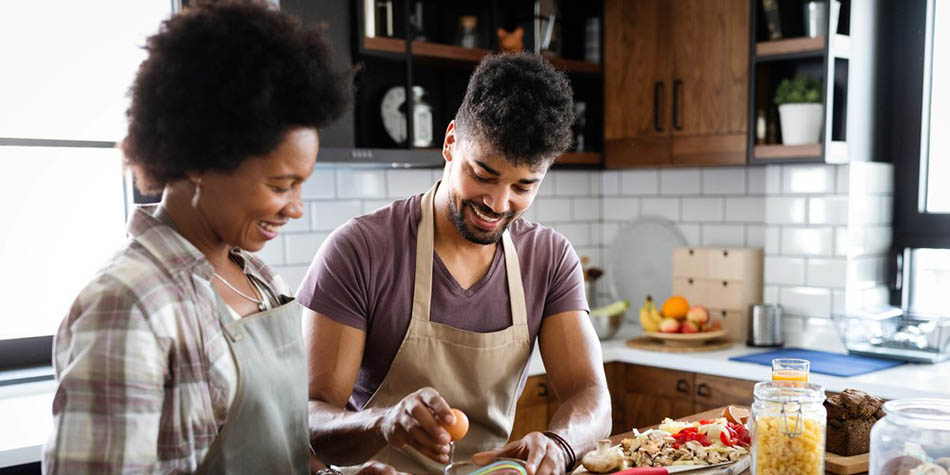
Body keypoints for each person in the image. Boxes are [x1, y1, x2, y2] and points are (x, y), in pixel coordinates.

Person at [40, 1, 373, 473]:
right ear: (200, 160)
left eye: (301, 185)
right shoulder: (130, 305)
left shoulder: (257, 278)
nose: (296, 207)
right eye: (281, 185)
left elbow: (285, 447)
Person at [299, 53, 611, 474]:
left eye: (523, 187)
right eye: (482, 175)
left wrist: (560, 444)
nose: (498, 203)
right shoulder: (360, 250)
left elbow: (591, 395)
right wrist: (383, 423)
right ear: (450, 142)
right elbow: (309, 419)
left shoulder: (549, 259)